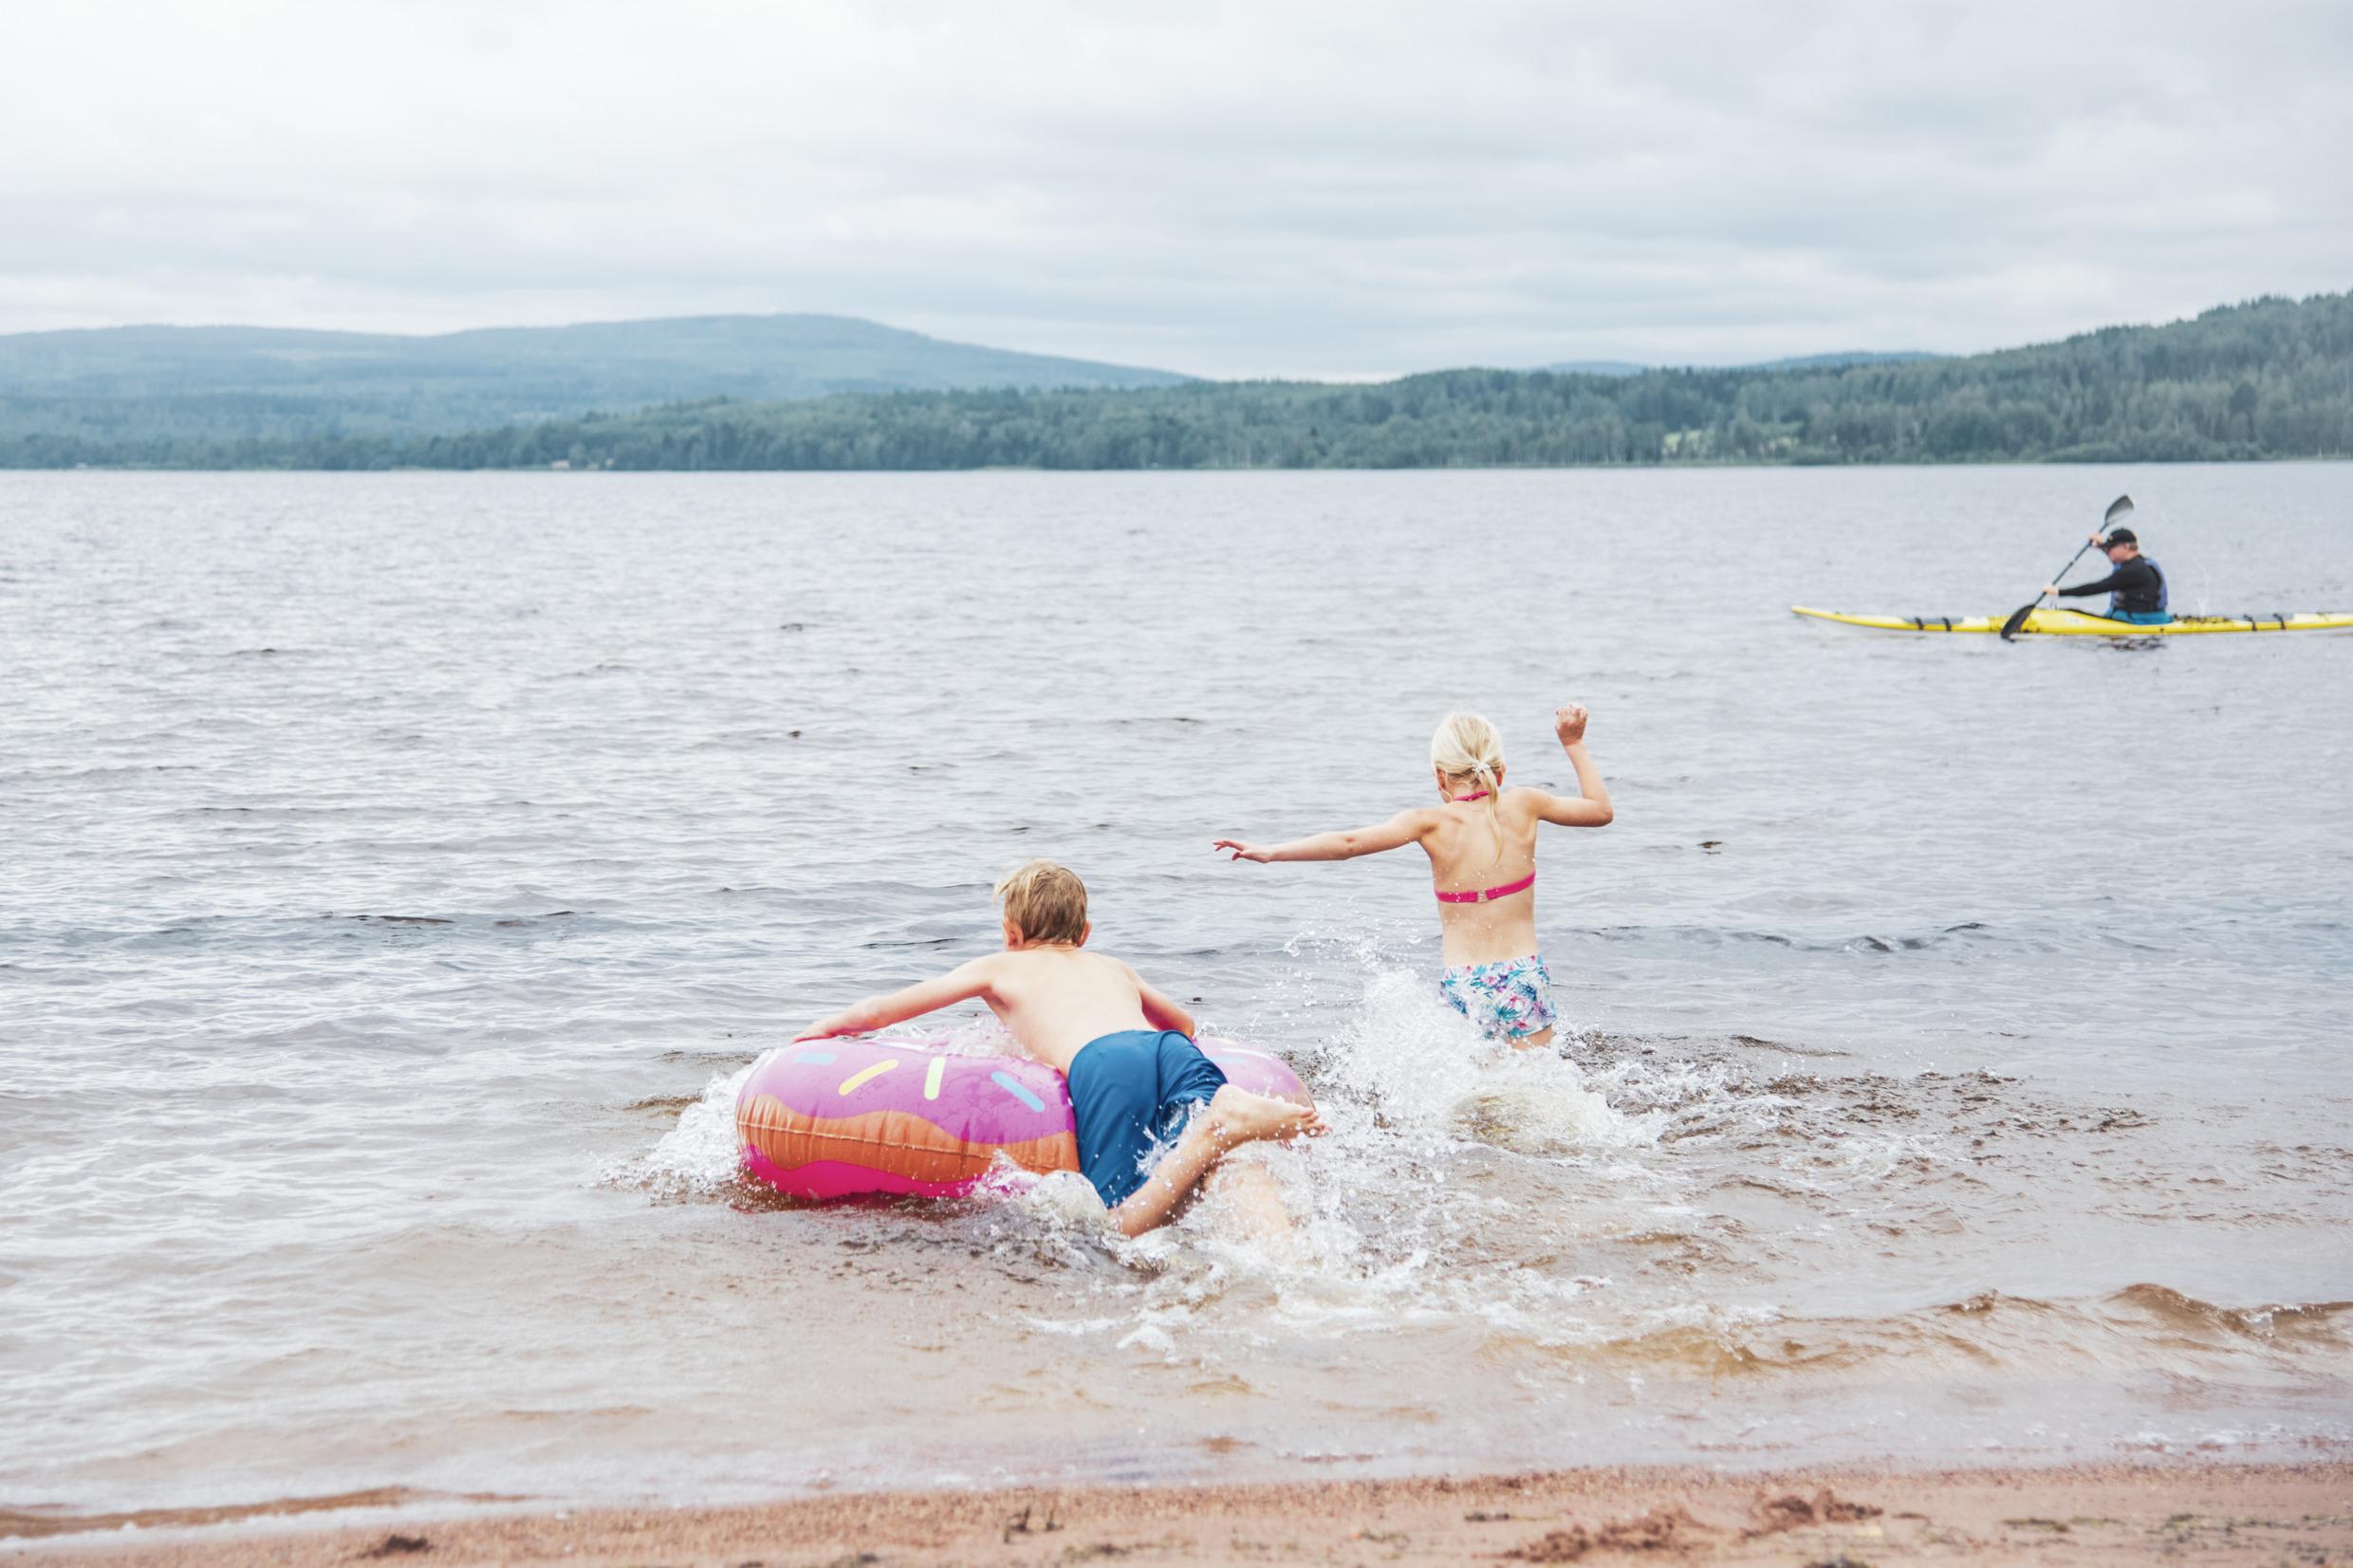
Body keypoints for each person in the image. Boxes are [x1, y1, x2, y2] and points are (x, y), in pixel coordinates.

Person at [792, 859, 1324, 1236]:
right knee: (1227, 1161)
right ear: (1084, 932)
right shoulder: (1112, 966)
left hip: (1104, 1063)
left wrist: (824, 1028)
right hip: (1167, 1051)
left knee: (1117, 1227)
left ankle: (1213, 1132)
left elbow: (882, 1012)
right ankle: (1284, 1251)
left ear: (1011, 934)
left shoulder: (1001, 967)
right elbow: (1182, 1024)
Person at [1214, 706, 1613, 1049]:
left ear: (1440, 777)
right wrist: (1573, 743)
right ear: (1501, 771)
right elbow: (1600, 811)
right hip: (1522, 972)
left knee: (1479, 1090)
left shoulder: (1428, 823)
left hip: (1464, 982)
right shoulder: (1526, 803)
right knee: (1533, 1083)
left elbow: (1348, 844)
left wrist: (1272, 852)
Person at [2047, 526, 2170, 624]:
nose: (2108, 550)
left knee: (2072, 613)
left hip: (2139, 621)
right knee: (2072, 611)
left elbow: (2097, 588)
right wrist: (2101, 546)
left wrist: (2059, 592)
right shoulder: (2139, 563)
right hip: (2134, 617)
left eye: (2111, 547)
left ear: (2126, 547)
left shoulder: (2133, 571)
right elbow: (2116, 559)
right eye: (2107, 547)